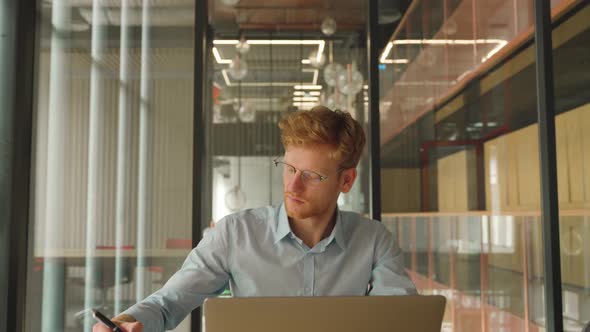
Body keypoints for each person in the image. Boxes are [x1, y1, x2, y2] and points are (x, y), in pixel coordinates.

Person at [93, 106, 416, 332]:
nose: (292, 185)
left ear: (346, 181)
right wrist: (125, 322)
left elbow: (402, 320)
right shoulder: (235, 232)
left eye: (311, 175)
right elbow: (168, 304)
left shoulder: (374, 239)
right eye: (289, 168)